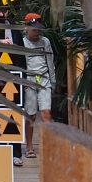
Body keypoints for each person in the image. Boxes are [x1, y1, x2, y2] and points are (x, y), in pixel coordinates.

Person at [20, 12, 54, 160]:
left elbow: (50, 61)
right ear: (26, 28)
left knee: (46, 114)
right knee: (31, 115)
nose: (37, 32)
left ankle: (50, 146)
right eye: (34, 29)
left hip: (44, 80)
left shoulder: (45, 41)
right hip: (29, 81)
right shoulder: (22, 43)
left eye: (39, 30)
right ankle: (29, 146)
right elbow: (20, 64)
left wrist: (53, 81)